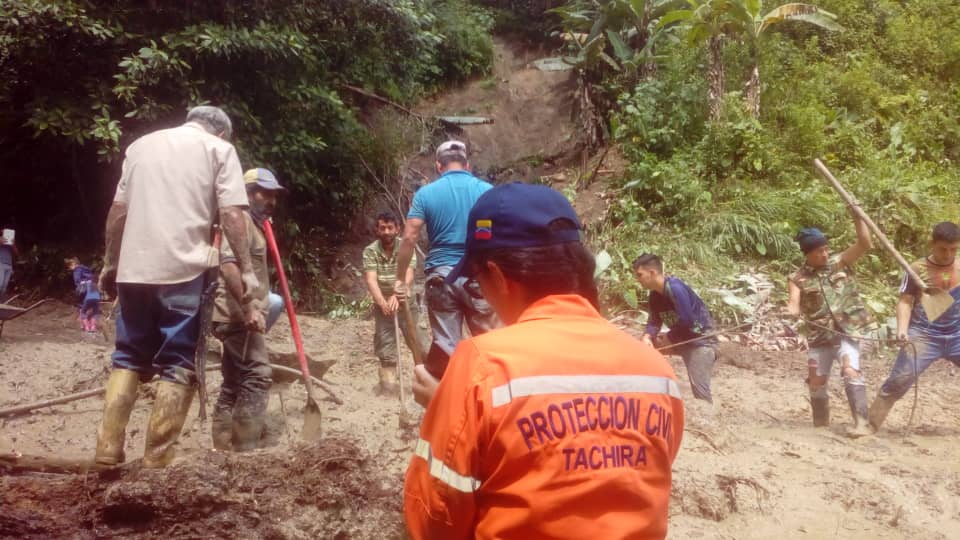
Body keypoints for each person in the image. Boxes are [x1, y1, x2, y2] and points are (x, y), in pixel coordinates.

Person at [404, 183, 684, 540]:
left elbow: (434, 517)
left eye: (477, 281)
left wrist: (445, 410)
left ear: (499, 277)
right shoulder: (656, 370)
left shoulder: (481, 365)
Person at [94, 105, 259, 468]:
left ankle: (107, 449)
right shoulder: (219, 150)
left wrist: (109, 262)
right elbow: (232, 213)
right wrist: (247, 271)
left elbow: (118, 211)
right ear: (220, 132)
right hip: (184, 267)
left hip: (134, 269)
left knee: (127, 356)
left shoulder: (140, 147)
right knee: (178, 361)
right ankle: (157, 457)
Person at [394, 140, 498, 380]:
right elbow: (500, 233)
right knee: (490, 345)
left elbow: (409, 237)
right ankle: (493, 401)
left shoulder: (426, 194)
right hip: (478, 276)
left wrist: (401, 280)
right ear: (467, 165)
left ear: (438, 165)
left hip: (441, 278)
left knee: (447, 347)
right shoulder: (486, 191)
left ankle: (450, 405)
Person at [210, 168, 286, 452]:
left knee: (234, 380)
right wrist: (250, 306)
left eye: (273, 195)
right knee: (258, 374)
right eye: (264, 193)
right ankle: (245, 447)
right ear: (248, 193)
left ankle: (221, 444)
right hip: (236, 315)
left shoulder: (252, 225)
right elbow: (229, 266)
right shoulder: (238, 221)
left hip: (238, 314)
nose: (271, 201)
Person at [786, 206, 875, 437]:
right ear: (807, 254)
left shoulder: (840, 262)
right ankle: (820, 426)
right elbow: (793, 302)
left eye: (826, 249)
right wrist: (792, 310)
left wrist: (858, 217)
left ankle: (862, 424)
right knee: (816, 380)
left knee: (850, 370)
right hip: (819, 335)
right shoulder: (797, 278)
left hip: (848, 330)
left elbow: (864, 243)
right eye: (819, 252)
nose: (824, 254)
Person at [869, 222, 960, 431]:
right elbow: (905, 302)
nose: (948, 254)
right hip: (925, 335)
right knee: (899, 380)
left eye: (953, 249)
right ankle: (870, 424)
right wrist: (902, 329)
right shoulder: (917, 270)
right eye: (943, 249)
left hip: (957, 333)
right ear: (932, 244)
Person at [633, 254, 718, 403]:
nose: (637, 279)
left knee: (700, 392)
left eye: (640, 275)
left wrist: (670, 338)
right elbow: (654, 321)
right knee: (642, 351)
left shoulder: (675, 288)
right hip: (680, 338)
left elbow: (688, 321)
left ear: (652, 273)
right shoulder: (654, 295)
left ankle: (708, 414)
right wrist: (647, 336)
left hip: (700, 340)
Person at [362, 211, 428, 395]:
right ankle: (388, 386)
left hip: (406, 302)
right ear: (377, 230)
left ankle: (426, 382)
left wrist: (396, 295)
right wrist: (382, 302)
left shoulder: (406, 247)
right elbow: (371, 280)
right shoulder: (370, 251)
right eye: (382, 228)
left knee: (421, 343)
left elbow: (408, 274)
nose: (386, 231)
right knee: (385, 345)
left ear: (398, 229)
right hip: (383, 306)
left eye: (390, 227)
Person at [66, 257, 101, 333]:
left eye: (70, 266)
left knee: (82, 310)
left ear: (74, 264)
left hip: (85, 289)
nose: (69, 268)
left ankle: (86, 327)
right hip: (94, 289)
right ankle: (93, 327)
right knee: (95, 310)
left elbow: (79, 283)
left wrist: (78, 293)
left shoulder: (77, 270)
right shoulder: (88, 271)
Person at [0, 227, 18, 301]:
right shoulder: (0, 239)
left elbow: (17, 253)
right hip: (0, 263)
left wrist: (13, 245)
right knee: (0, 284)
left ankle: (1, 303)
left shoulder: (11, 241)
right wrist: (1, 243)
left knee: (4, 287)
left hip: (9, 265)